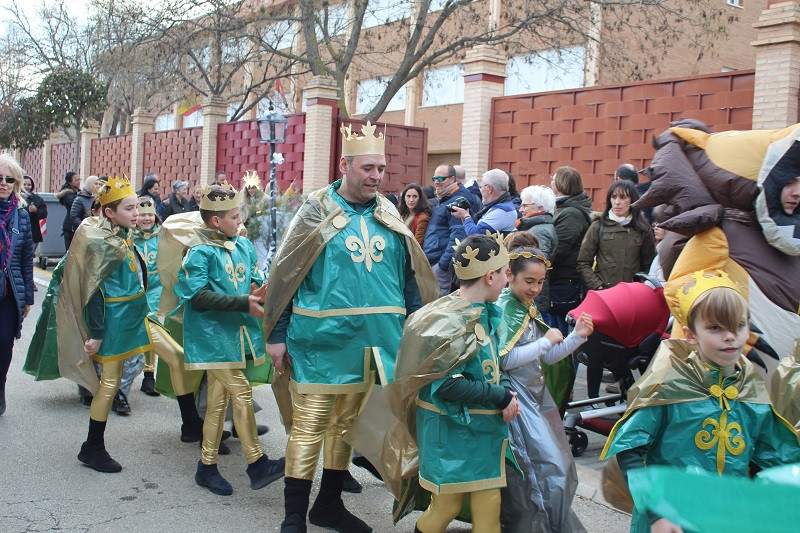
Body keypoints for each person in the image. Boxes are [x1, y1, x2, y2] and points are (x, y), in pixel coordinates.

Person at [262, 121, 437, 533]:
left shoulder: (389, 212)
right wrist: (276, 333)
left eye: (381, 168)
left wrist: (416, 328)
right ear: (345, 165)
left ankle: (328, 505)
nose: (376, 176)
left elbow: (411, 276)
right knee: (309, 427)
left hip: (375, 344)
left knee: (345, 425)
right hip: (320, 341)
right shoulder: (315, 210)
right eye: (368, 168)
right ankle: (292, 518)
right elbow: (287, 275)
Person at [601, 270, 800, 533]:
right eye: (715, 327)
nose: (730, 336)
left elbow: (775, 458)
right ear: (690, 334)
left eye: (739, 325)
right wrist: (657, 513)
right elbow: (629, 449)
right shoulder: (668, 386)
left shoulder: (751, 392)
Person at [396, 233, 520, 533]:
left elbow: (489, 363)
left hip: (480, 431)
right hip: (452, 432)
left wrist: (504, 389)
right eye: (506, 273)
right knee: (446, 506)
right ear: (490, 276)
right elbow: (446, 385)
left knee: (489, 504)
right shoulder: (449, 321)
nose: (508, 279)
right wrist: (500, 395)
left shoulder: (484, 312)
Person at [174, 183, 285, 496]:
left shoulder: (242, 244)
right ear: (215, 222)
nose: (240, 221)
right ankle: (257, 463)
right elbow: (196, 296)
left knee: (217, 405)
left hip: (234, 335)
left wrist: (255, 292)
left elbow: (251, 279)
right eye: (235, 217)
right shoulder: (199, 251)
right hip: (211, 337)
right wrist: (242, 302)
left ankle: (206, 467)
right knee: (242, 391)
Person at [498, 234, 593, 532]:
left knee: (559, 465)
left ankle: (552, 522)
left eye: (540, 283)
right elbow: (505, 359)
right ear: (509, 275)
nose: (535, 289)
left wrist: (577, 336)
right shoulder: (506, 308)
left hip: (537, 400)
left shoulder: (526, 308)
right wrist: (544, 343)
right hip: (517, 402)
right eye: (529, 281)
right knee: (541, 468)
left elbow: (548, 358)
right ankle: (541, 525)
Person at [65, 176, 155, 472]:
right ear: (109, 212)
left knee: (115, 382)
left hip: (131, 317)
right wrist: (98, 332)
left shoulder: (120, 234)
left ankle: (192, 422)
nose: (136, 214)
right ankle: (93, 447)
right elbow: (94, 291)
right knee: (109, 385)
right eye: (129, 209)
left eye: (137, 208)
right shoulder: (104, 243)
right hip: (114, 323)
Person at [577, 180, 655, 399]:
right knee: (595, 351)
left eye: (623, 197)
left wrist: (639, 290)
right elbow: (583, 262)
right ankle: (592, 399)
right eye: (614, 197)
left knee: (625, 351)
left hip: (630, 304)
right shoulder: (598, 226)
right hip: (603, 300)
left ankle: (626, 396)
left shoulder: (642, 230)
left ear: (632, 200)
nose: (618, 202)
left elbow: (649, 267)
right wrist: (599, 288)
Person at [0, 154, 34, 416]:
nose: (3, 183)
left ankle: (0, 387)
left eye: (9, 179)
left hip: (9, 292)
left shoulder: (21, 216)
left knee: (4, 343)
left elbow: (25, 259)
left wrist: (28, 298)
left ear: (16, 183)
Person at [423, 164, 474, 295]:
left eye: (440, 179)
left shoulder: (457, 201)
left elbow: (458, 235)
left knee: (439, 304)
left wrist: (443, 265)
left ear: (452, 179)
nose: (436, 182)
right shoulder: (445, 199)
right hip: (434, 260)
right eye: (434, 178)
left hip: (440, 263)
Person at [132, 197, 162, 396]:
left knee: (151, 331)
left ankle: (149, 375)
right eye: (142, 214)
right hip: (133, 292)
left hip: (156, 291)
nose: (147, 218)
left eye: (150, 214)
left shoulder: (162, 236)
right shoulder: (129, 236)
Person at [517, 185, 558, 317]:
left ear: (540, 208)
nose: (521, 209)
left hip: (532, 299)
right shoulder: (537, 227)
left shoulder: (539, 231)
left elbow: (537, 264)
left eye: (525, 205)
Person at [451, 168, 518, 237]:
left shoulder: (502, 211)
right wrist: (464, 218)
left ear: (489, 188)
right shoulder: (501, 207)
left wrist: (466, 216)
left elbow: (475, 235)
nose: (480, 190)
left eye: (481, 186)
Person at [21, 176, 47, 259]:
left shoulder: (37, 199)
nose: (26, 187)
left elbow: (44, 214)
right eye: (24, 184)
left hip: (33, 232)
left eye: (29, 184)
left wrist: (36, 210)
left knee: (28, 258)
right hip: (18, 232)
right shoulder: (14, 197)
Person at [398, 183, 432, 247]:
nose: (411, 200)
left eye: (415, 196)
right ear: (404, 198)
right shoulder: (402, 215)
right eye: (408, 196)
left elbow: (418, 244)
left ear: (420, 198)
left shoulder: (423, 217)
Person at [55, 171, 80, 249]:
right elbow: (74, 206)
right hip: (70, 226)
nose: (78, 182)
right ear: (69, 182)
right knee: (70, 251)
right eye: (76, 180)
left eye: (79, 179)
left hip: (77, 225)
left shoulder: (79, 192)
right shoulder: (68, 194)